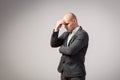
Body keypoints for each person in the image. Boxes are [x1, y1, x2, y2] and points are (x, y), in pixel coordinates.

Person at [50, 12, 89, 80]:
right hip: (64, 72)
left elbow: (71, 51)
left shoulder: (83, 34)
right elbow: (53, 44)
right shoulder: (66, 34)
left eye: (67, 24)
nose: (65, 27)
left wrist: (61, 48)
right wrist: (56, 29)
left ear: (74, 21)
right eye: (64, 25)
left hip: (76, 74)